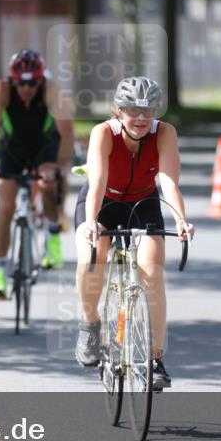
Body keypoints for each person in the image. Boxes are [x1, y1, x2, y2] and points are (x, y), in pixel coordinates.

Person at [73, 76, 195, 390]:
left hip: (144, 202)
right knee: (92, 255)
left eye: (148, 110)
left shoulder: (165, 133)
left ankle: (154, 359)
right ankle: (90, 324)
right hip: (103, 201)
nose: (140, 117)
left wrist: (181, 219)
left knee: (152, 273)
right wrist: (90, 222)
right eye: (132, 109)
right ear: (118, 111)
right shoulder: (103, 133)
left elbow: (168, 181)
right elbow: (97, 181)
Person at [0, 49, 74, 299]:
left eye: (32, 82)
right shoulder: (1, 90)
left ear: (41, 79)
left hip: (45, 147)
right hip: (13, 149)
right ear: (13, 79)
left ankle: (52, 240)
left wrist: (59, 166)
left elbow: (66, 133)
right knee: (6, 204)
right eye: (21, 82)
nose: (27, 87)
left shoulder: (51, 90)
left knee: (47, 186)